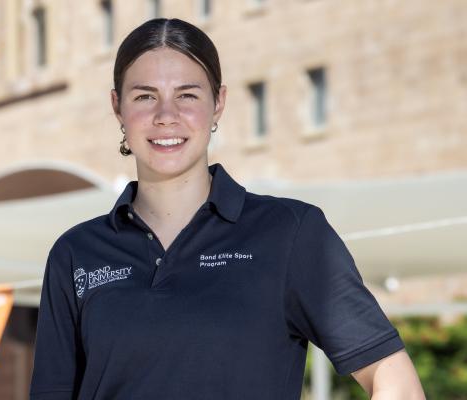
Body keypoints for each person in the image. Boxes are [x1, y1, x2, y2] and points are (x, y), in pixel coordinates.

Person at [29, 18, 425, 399]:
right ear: (118, 107)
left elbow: (396, 384)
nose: (166, 116)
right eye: (145, 96)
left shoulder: (290, 233)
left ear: (218, 103)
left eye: (187, 95)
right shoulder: (76, 253)